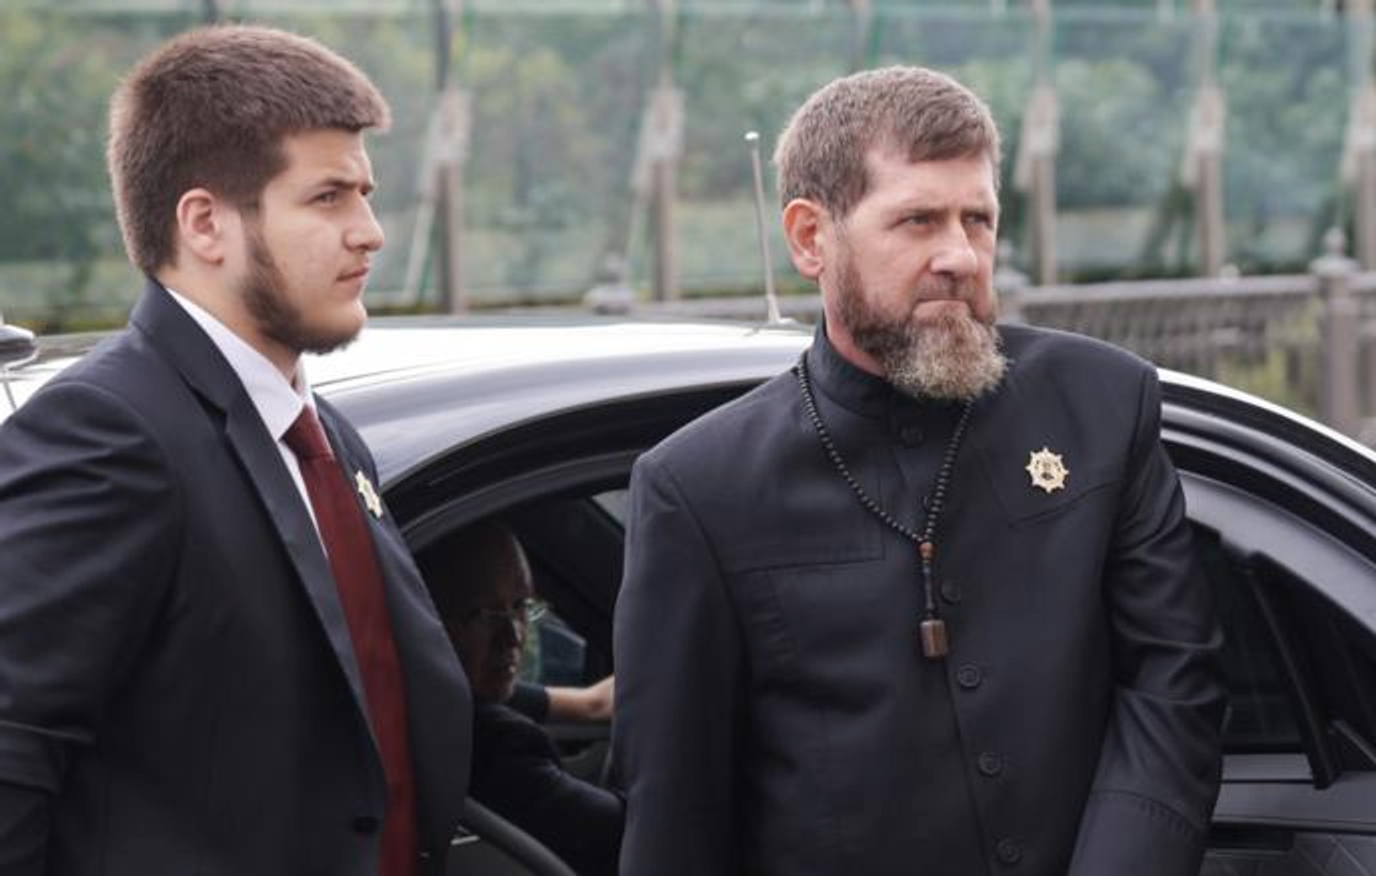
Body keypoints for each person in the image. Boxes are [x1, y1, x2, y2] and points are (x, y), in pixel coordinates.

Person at [612, 66, 1225, 876]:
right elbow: (677, 816)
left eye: (979, 219)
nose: (960, 256)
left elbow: (1173, 684)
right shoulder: (700, 489)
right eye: (918, 221)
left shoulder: (1103, 405)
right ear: (810, 238)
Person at [0, 25, 471, 875]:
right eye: (328, 197)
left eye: (365, 194)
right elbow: (13, 743)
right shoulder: (108, 431)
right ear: (205, 224)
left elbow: (351, 688)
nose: (370, 232)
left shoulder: (325, 438)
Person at [419, 521, 623, 876]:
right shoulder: (497, 745)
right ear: (429, 618)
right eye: (482, 614)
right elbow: (623, 835)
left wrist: (588, 704)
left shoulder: (418, 703)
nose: (513, 636)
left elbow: (477, 696)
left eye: (520, 605)